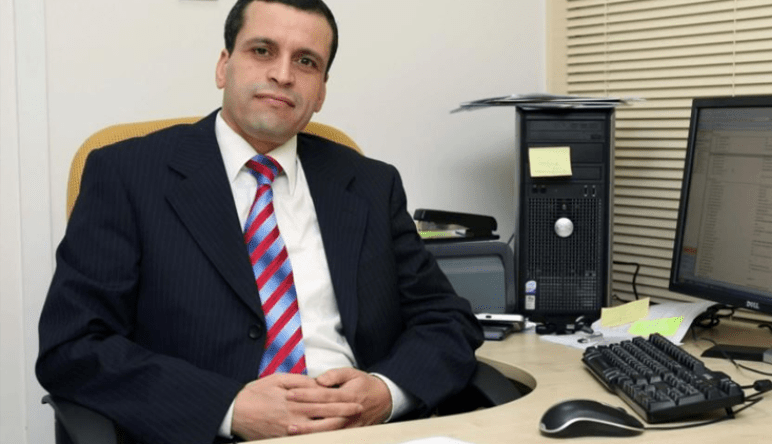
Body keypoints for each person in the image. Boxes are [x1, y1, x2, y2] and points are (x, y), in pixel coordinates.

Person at [35, 1, 484, 443]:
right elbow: (74, 346)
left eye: (306, 62)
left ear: (321, 92)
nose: (283, 75)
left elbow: (446, 320)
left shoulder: (370, 185)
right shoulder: (128, 174)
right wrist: (227, 408)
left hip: (360, 432)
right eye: (262, 51)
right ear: (223, 67)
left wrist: (385, 394)